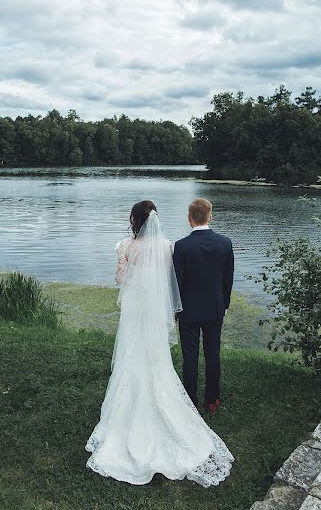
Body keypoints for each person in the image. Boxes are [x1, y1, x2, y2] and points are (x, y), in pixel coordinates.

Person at [85, 200, 234, 487]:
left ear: (134, 220)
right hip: (161, 311)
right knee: (164, 358)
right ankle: (207, 399)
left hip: (135, 310)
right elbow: (171, 282)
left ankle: (178, 400)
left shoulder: (125, 247)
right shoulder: (168, 247)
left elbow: (120, 279)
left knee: (133, 354)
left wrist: (134, 274)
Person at [173, 198, 234, 412]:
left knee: (190, 357)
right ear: (210, 216)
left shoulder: (181, 246)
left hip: (188, 311)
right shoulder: (225, 243)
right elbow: (228, 279)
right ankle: (212, 400)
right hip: (215, 309)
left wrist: (175, 309)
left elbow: (177, 282)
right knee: (213, 354)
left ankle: (190, 401)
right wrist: (224, 305)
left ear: (189, 219)